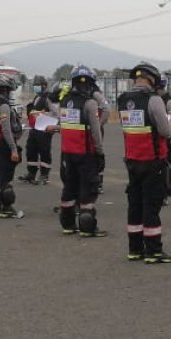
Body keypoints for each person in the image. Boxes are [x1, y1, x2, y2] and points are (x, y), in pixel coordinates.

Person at [118, 62, 171, 263]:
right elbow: (165, 131)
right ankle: (153, 251)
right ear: (151, 80)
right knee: (151, 206)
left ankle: (135, 249)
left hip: (132, 161)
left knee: (134, 205)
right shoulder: (155, 100)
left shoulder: (123, 100)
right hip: (152, 161)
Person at [57, 66, 107, 237]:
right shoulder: (90, 103)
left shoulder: (64, 102)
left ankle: (68, 224)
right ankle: (87, 227)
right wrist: (100, 152)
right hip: (86, 154)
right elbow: (96, 132)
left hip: (67, 153)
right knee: (88, 190)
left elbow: (62, 126)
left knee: (69, 189)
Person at [0, 73, 25, 218]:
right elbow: (6, 129)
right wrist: (13, 149)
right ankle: (7, 207)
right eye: (9, 90)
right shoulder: (4, 107)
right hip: (4, 144)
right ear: (4, 90)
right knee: (5, 177)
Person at [21, 75, 57, 185]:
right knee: (31, 150)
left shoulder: (48, 98)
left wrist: (49, 122)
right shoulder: (37, 97)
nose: (36, 87)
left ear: (44, 86)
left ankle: (44, 175)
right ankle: (31, 173)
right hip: (34, 129)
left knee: (44, 151)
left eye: (37, 85)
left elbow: (56, 114)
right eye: (34, 85)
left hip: (44, 130)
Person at [156, 73, 171, 205]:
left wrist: (168, 133)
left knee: (166, 165)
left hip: (166, 138)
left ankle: (165, 193)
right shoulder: (152, 98)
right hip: (155, 138)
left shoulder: (168, 100)